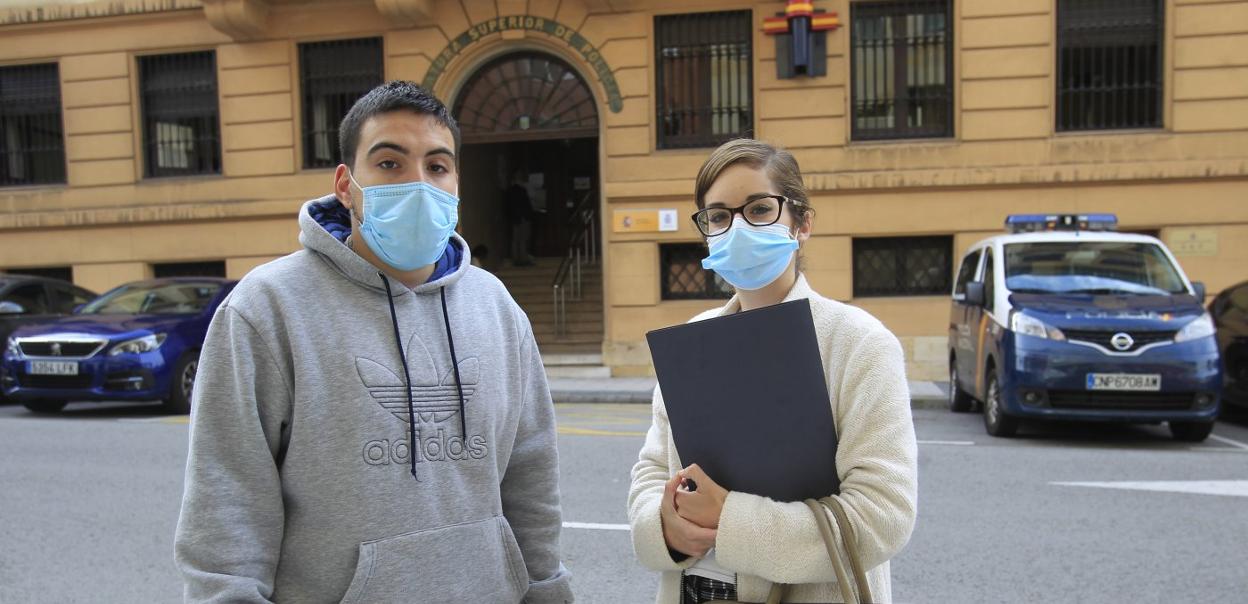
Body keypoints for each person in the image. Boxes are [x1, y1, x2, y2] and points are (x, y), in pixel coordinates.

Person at [174, 81, 572, 604]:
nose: (417, 182)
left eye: (437, 166)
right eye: (389, 164)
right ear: (346, 183)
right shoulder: (266, 308)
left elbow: (531, 480)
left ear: (455, 183)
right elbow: (227, 503)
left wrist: (547, 591)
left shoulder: (496, 306)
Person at [627, 139, 918, 603]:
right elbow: (650, 474)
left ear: (802, 224)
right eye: (718, 216)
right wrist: (665, 528)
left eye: (760, 209)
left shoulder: (858, 343)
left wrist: (732, 520)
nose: (737, 228)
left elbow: (883, 515)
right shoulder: (691, 342)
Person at [506, 168, 536, 266]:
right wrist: (527, 216)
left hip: (515, 219)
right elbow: (525, 206)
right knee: (522, 239)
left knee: (516, 240)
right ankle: (522, 259)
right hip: (522, 218)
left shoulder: (510, 191)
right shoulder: (520, 190)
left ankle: (517, 259)